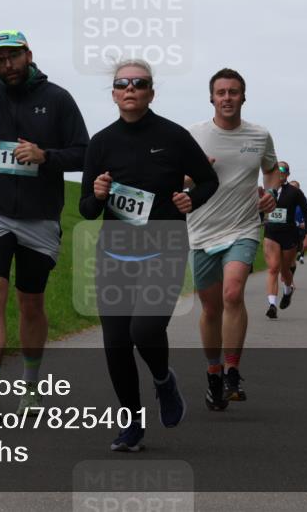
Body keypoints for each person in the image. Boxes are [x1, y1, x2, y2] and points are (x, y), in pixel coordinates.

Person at [0, 30, 88, 415]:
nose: (6, 65)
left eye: (13, 57)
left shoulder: (57, 99)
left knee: (31, 302)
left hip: (39, 217)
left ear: (28, 55)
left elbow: (84, 153)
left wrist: (45, 156)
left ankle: (30, 387)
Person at [80, 58, 219, 452]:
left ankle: (163, 380)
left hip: (165, 247)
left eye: (139, 83)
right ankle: (132, 424)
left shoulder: (173, 136)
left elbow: (209, 180)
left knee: (143, 331)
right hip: (115, 253)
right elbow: (86, 208)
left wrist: (190, 199)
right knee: (116, 342)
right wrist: (99, 195)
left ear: (151, 93)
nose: (130, 89)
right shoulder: (101, 142)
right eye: (122, 83)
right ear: (113, 94)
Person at [185, 68, 278, 409]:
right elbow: (175, 179)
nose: (227, 98)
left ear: (243, 97)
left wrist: (271, 195)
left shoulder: (259, 135)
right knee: (211, 309)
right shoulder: (193, 135)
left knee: (233, 292)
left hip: (243, 227)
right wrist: (193, 175)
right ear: (211, 98)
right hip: (202, 230)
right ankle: (214, 372)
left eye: (233, 92)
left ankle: (232, 372)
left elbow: (271, 170)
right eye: (221, 92)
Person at [263, 163, 307, 319]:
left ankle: (288, 290)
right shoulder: (267, 189)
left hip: (289, 234)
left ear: (288, 174)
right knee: (273, 268)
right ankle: (272, 305)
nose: (280, 172)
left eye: (283, 170)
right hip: (271, 233)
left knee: (285, 270)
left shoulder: (295, 192)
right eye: (277, 169)